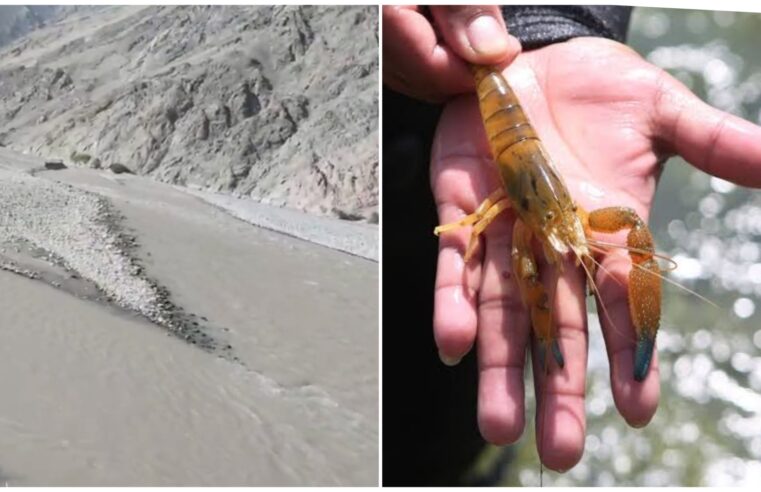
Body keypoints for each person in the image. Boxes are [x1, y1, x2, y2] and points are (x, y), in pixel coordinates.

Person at [382, 5, 761, 485]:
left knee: (449, 420)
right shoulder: (518, 225)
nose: (570, 240)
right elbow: (519, 259)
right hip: (413, 140)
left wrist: (554, 24)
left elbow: (630, 230)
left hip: (444, 107)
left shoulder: (568, 215)